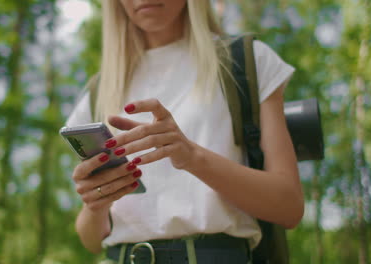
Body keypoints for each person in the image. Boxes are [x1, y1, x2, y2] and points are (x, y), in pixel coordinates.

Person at [66, 0, 304, 263]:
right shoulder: (99, 90)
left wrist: (192, 156)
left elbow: (289, 207)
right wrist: (96, 203)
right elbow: (91, 240)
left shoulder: (247, 61)